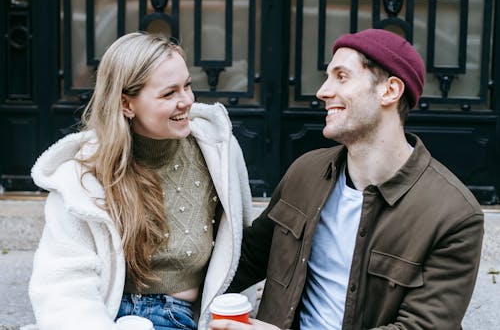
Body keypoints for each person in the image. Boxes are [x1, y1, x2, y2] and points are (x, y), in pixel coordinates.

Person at [208, 29, 484, 330]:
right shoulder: (305, 172)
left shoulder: (454, 214)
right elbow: (242, 260)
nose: (322, 92)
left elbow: (421, 327)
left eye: (341, 76)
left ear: (390, 91)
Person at [29, 32, 253, 330]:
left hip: (183, 315)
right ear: (126, 104)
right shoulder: (82, 175)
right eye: (168, 93)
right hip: (104, 314)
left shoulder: (218, 152)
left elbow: (243, 244)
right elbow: (63, 284)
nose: (186, 101)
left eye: (187, 86)